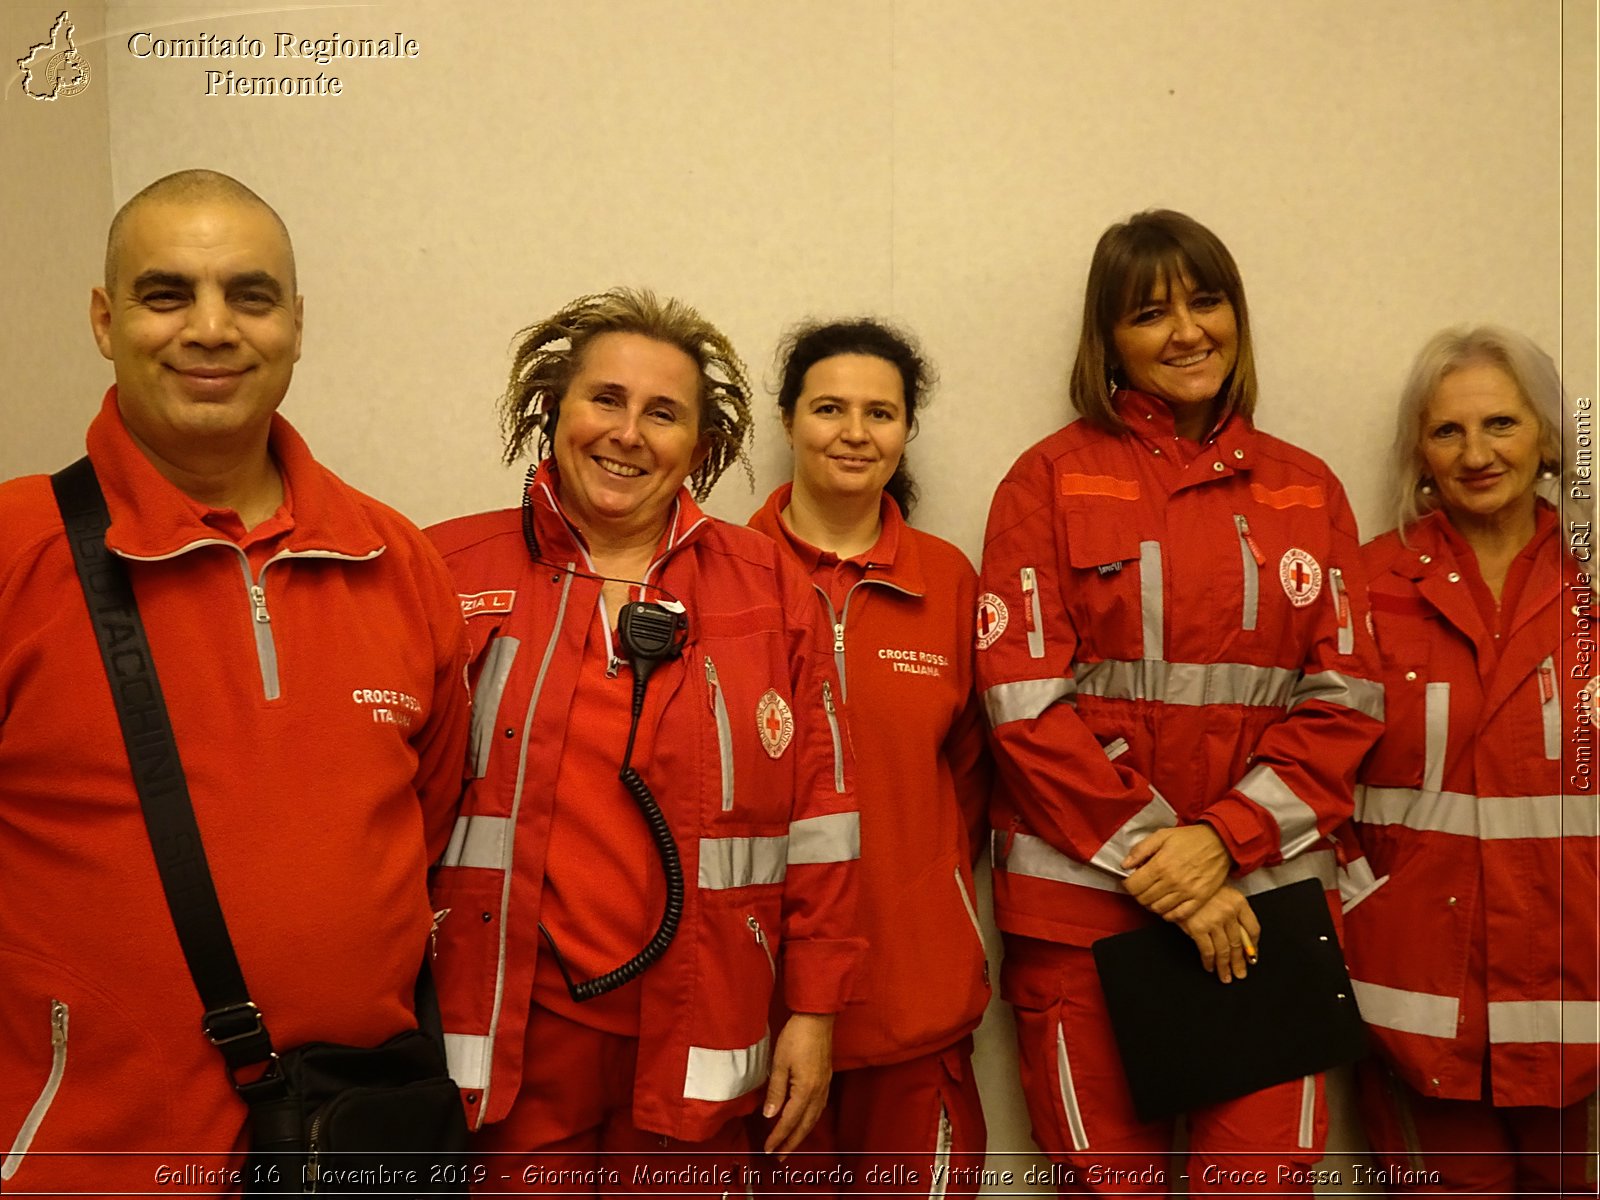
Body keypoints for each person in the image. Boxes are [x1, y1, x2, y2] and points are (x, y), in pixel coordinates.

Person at [0, 169, 471, 1194]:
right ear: (103, 318)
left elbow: (418, 827)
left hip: (345, 1149)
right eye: (167, 293)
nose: (211, 328)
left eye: (249, 297)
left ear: (295, 324)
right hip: (81, 1161)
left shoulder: (396, 561)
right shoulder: (13, 549)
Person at [976, 208, 1385, 1194]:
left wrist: (1227, 844)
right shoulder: (1046, 482)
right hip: (1086, 923)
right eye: (1148, 313)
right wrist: (1170, 865)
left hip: (1261, 918)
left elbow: (1345, 702)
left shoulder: (1306, 491)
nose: (1185, 331)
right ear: (1106, 338)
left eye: (1205, 302)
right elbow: (1022, 703)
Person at [425, 289, 864, 1195]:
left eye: (662, 412)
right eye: (606, 400)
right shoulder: (445, 574)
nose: (628, 433)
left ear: (699, 447)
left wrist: (815, 1012)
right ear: (555, 413)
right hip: (507, 1045)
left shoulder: (771, 592)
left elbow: (826, 819)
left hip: (699, 1042)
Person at [1344, 326, 1599, 1193]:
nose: (1477, 452)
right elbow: (1315, 772)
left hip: (1585, 998)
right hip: (1417, 1003)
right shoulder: (1369, 585)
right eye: (1448, 431)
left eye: (1502, 423)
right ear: (1419, 450)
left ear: (1549, 438)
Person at [748, 319, 993, 1193]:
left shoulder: (950, 581)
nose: (855, 431)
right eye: (829, 408)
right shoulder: (722, 576)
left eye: (880, 412)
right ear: (787, 422)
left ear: (906, 430)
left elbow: (968, 785)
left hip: (914, 1004)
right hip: (760, 1015)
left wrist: (921, 887)